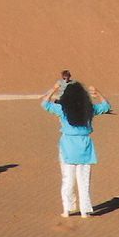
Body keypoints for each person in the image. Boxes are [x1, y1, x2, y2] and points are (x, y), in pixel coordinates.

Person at [40, 81, 111, 218]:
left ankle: (67, 210)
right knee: (83, 181)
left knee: (68, 180)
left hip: (67, 147)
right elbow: (106, 106)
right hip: (85, 147)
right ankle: (85, 211)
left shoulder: (62, 110)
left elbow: (44, 103)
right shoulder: (89, 109)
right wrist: (98, 93)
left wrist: (53, 89)